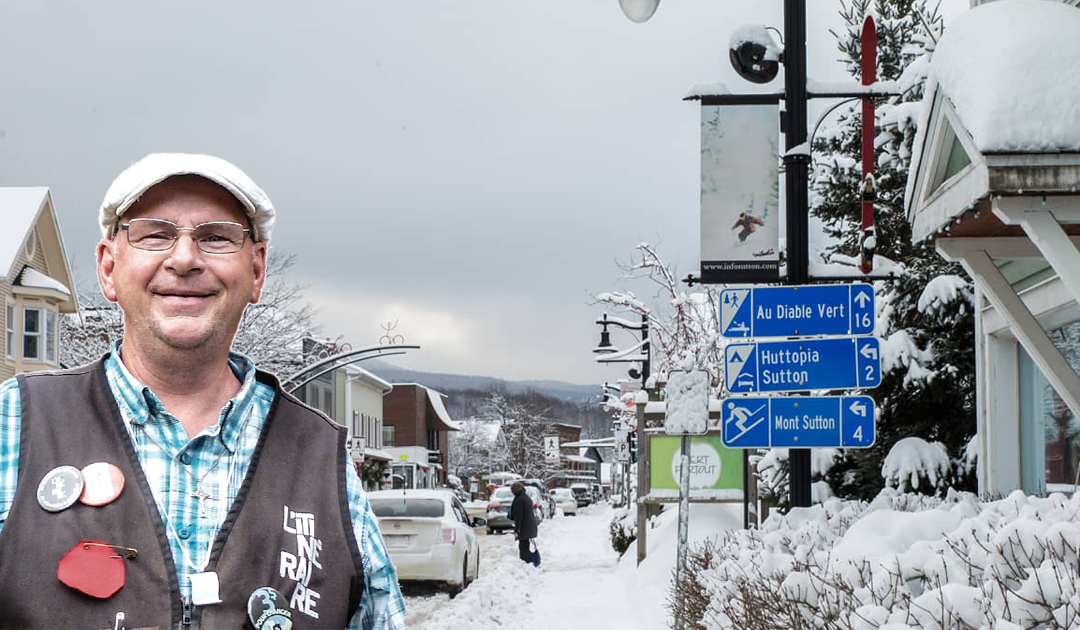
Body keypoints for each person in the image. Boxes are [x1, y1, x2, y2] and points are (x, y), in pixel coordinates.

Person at [0, 153, 406, 629]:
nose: (185, 259)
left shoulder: (322, 458)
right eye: (155, 233)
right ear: (108, 268)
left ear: (256, 270)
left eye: (216, 237)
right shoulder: (15, 423)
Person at [508, 481, 538, 564]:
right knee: (526, 546)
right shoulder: (526, 497)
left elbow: (519, 517)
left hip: (525, 527)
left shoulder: (519, 500)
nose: (512, 492)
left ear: (515, 490)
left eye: (512, 490)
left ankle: (526, 563)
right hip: (530, 526)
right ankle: (528, 563)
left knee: (523, 547)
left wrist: (517, 530)